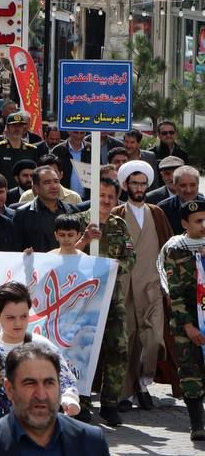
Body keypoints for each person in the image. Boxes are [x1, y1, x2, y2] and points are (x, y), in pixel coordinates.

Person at [0, 280, 80, 424]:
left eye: (23, 317)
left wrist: (70, 400)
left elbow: (66, 382)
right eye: (11, 318)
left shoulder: (43, 348)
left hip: (39, 430)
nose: (18, 323)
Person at [0, 343, 110, 455]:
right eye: (30, 383)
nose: (41, 394)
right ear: (10, 389)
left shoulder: (91, 443)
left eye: (49, 383)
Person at [110, 159, 172, 409]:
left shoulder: (156, 213)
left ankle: (143, 381)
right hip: (123, 286)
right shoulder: (117, 214)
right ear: (125, 185)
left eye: (142, 183)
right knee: (127, 339)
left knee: (154, 339)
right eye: (134, 183)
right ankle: (127, 393)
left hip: (152, 286)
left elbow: (168, 247)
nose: (138, 187)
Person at [85, 174, 133, 427]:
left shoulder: (119, 225)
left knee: (118, 349)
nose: (105, 201)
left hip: (112, 299)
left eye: (110, 197)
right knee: (84, 351)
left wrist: (115, 267)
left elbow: (130, 258)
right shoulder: (81, 222)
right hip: (83, 301)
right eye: (101, 196)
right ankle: (81, 402)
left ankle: (110, 404)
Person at [158, 197, 205, 439]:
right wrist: (187, 325)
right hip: (186, 321)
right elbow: (173, 291)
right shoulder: (176, 249)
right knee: (191, 372)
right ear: (185, 223)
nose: (204, 225)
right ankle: (197, 425)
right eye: (198, 221)